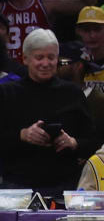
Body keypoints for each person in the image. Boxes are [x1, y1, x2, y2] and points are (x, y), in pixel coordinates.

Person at [0, 29, 96, 200]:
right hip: (17, 187)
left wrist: (73, 143)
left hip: (64, 186)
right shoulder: (7, 93)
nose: (46, 63)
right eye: (39, 57)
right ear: (25, 59)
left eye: (51, 57)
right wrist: (22, 135)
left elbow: (94, 141)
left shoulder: (73, 93)